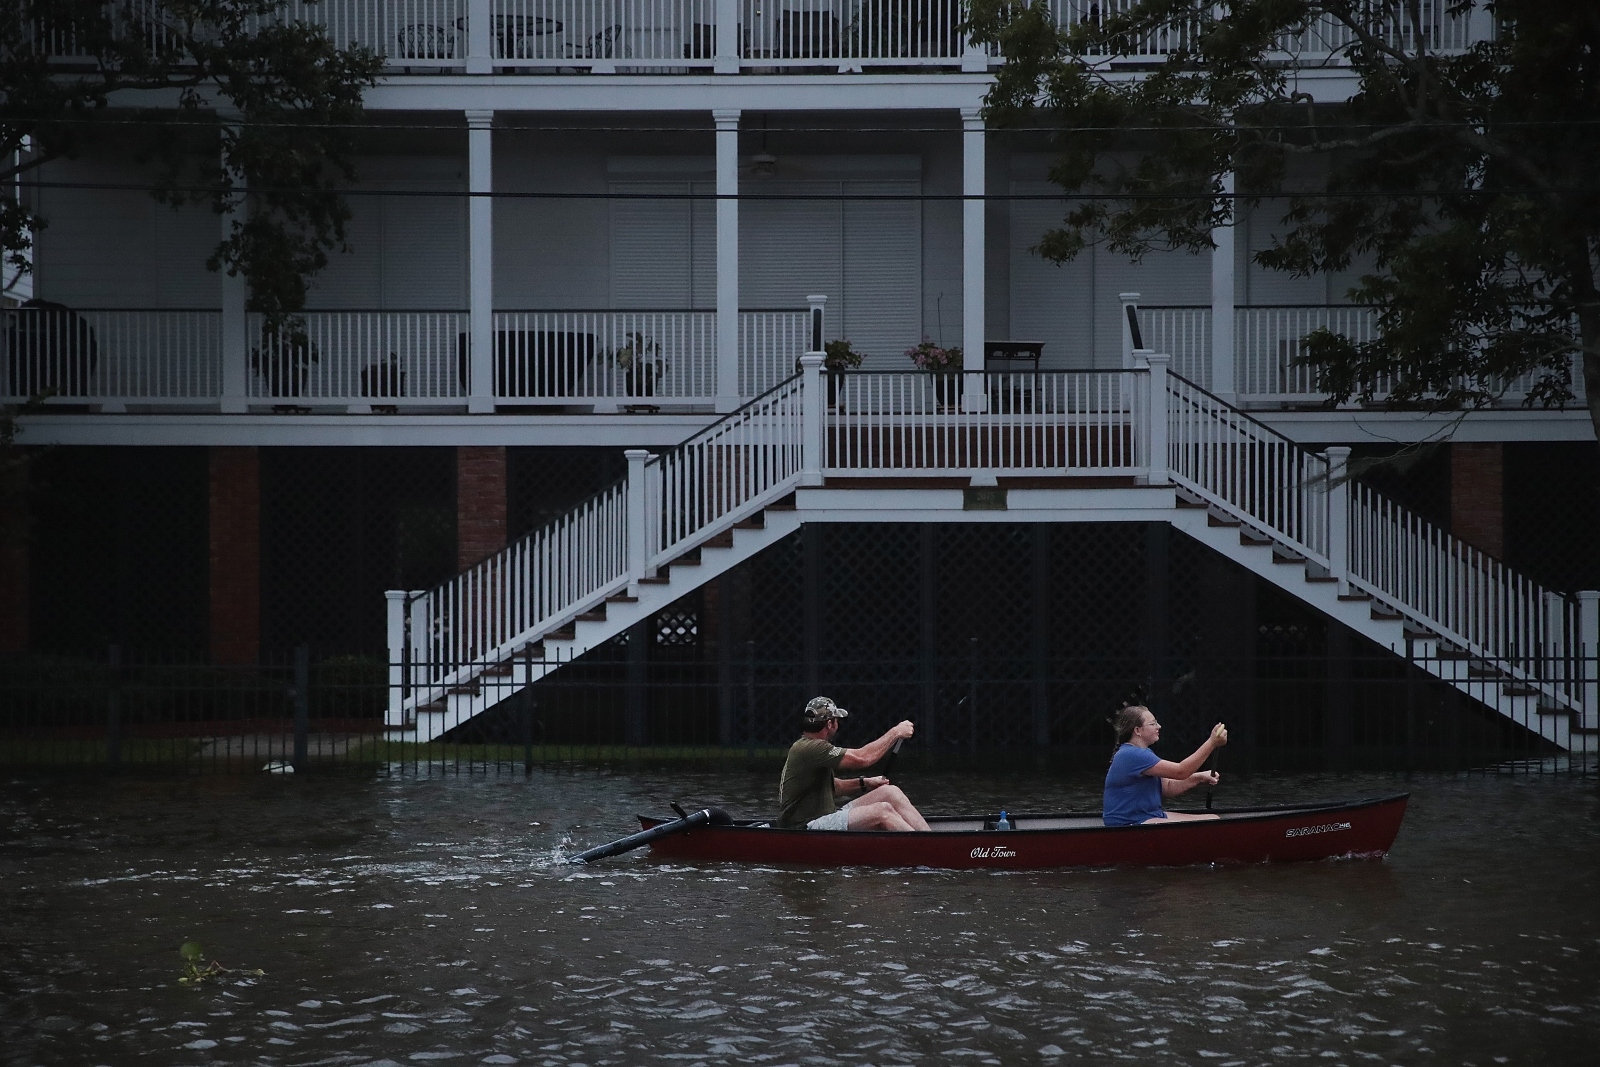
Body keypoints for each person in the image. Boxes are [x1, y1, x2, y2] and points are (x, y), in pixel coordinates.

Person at [778, 697, 931, 831]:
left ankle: (930, 839)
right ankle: (927, 851)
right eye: (837, 720)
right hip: (805, 826)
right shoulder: (811, 748)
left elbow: (834, 787)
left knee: (891, 793)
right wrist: (895, 732)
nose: (838, 724)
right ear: (830, 724)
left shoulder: (810, 748)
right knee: (882, 811)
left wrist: (865, 783)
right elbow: (863, 758)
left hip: (825, 817)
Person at [1103, 705, 1227, 826]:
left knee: (1213, 818)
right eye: (1153, 724)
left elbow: (1168, 788)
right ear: (1137, 731)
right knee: (1212, 822)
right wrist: (1211, 743)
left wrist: (1198, 777)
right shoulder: (1132, 754)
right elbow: (1181, 771)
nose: (1159, 726)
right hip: (1128, 822)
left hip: (1147, 816)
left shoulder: (1143, 753)